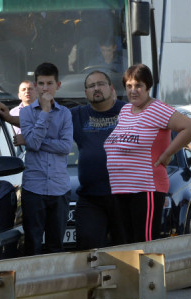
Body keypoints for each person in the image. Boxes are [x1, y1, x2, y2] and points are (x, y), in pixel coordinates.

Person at [105, 63, 191, 299]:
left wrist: (168, 154)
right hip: (121, 188)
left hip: (146, 187)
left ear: (149, 87)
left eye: (139, 86)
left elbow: (190, 128)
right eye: (129, 86)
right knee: (129, 246)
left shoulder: (157, 109)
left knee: (145, 246)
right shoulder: (125, 111)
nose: (133, 91)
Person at [19, 62, 74, 263]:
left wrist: (39, 140)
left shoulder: (66, 114)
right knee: (32, 244)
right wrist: (44, 111)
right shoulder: (26, 112)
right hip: (34, 188)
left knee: (55, 246)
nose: (45, 88)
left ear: (57, 85)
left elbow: (65, 147)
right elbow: (32, 143)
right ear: (35, 85)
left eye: (49, 83)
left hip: (59, 188)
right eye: (41, 83)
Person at [72, 70, 126, 252]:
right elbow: (45, 124)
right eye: (91, 86)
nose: (96, 88)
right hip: (90, 198)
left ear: (111, 88)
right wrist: (10, 120)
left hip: (125, 197)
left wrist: (165, 156)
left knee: (127, 251)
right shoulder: (76, 115)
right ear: (85, 92)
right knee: (88, 251)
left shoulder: (129, 111)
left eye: (101, 84)